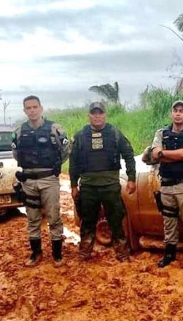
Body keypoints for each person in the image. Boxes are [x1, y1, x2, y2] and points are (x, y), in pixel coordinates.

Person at [69, 101, 137, 262]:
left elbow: (128, 154)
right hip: (88, 187)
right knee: (87, 221)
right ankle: (85, 253)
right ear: (89, 116)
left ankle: (122, 253)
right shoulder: (80, 136)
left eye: (100, 113)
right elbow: (73, 162)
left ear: (105, 115)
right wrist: (73, 185)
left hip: (110, 185)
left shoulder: (114, 133)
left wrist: (132, 179)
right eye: (94, 113)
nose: (97, 116)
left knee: (116, 220)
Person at [12, 95, 71, 267]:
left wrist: (55, 166)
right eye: (28, 108)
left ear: (41, 108)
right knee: (32, 218)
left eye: (34, 107)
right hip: (28, 180)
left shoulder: (54, 129)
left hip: (48, 179)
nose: (32, 111)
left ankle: (57, 255)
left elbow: (66, 149)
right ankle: (36, 253)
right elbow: (16, 154)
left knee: (54, 216)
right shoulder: (19, 132)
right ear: (24, 110)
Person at [145, 100, 183, 270]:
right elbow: (155, 154)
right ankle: (169, 255)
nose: (178, 113)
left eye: (182, 111)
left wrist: (164, 154)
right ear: (171, 113)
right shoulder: (161, 133)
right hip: (167, 186)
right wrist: (176, 155)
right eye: (175, 110)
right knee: (168, 222)